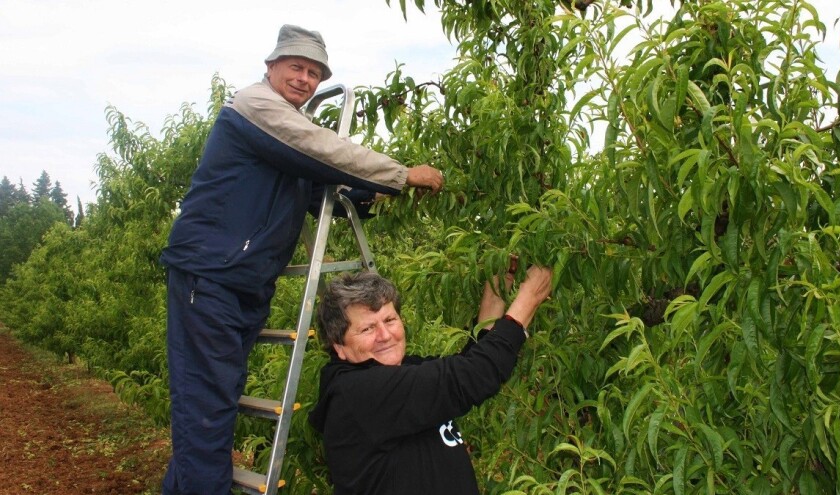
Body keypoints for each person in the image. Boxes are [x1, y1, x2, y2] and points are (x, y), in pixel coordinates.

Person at [159, 24, 444, 495]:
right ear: (270, 67)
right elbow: (319, 149)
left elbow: (322, 189)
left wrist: (375, 196)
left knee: (212, 406)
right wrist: (399, 173)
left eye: (314, 73)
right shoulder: (256, 108)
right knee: (205, 413)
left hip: (243, 284)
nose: (305, 79)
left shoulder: (285, 138)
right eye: (296, 67)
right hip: (209, 276)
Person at [308, 265, 553, 494]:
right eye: (367, 329)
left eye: (390, 320)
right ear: (338, 346)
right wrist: (527, 300)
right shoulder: (359, 393)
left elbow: (464, 364)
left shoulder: (398, 370)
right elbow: (472, 376)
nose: (385, 335)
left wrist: (494, 295)